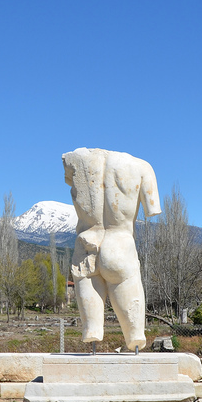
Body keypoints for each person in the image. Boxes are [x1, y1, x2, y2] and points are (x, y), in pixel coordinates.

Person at [62, 147, 160, 351]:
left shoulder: (73, 159)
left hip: (86, 243)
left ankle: (92, 331)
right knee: (134, 333)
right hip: (120, 245)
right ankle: (134, 336)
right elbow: (152, 208)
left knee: (92, 328)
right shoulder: (142, 167)